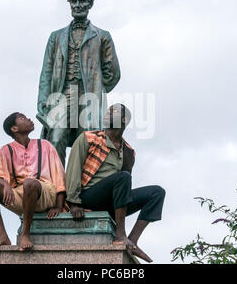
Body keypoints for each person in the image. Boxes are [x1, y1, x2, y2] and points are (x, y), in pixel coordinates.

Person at [65, 104, 166, 263]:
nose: (108, 113)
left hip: (113, 200)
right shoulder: (89, 138)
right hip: (88, 195)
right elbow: (73, 170)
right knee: (123, 177)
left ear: (124, 120)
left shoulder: (128, 151)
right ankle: (120, 235)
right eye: (108, 110)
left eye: (114, 111)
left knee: (157, 192)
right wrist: (74, 203)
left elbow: (125, 186)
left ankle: (132, 241)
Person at [37, 0, 120, 166]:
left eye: (82, 1)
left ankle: (82, 188)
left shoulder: (102, 36)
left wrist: (96, 86)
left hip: (89, 95)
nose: (77, 6)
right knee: (56, 138)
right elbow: (47, 71)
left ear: (90, 4)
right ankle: (57, 187)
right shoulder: (56, 36)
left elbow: (113, 72)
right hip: (62, 95)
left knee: (87, 141)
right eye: (73, 2)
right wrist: (43, 100)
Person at [0, 112, 66, 251]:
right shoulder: (6, 150)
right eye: (22, 118)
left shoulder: (45, 145)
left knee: (29, 183)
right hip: (21, 195)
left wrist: (59, 206)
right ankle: (3, 235)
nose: (29, 119)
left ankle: (25, 234)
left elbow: (59, 176)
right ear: (14, 129)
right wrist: (5, 184)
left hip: (45, 192)